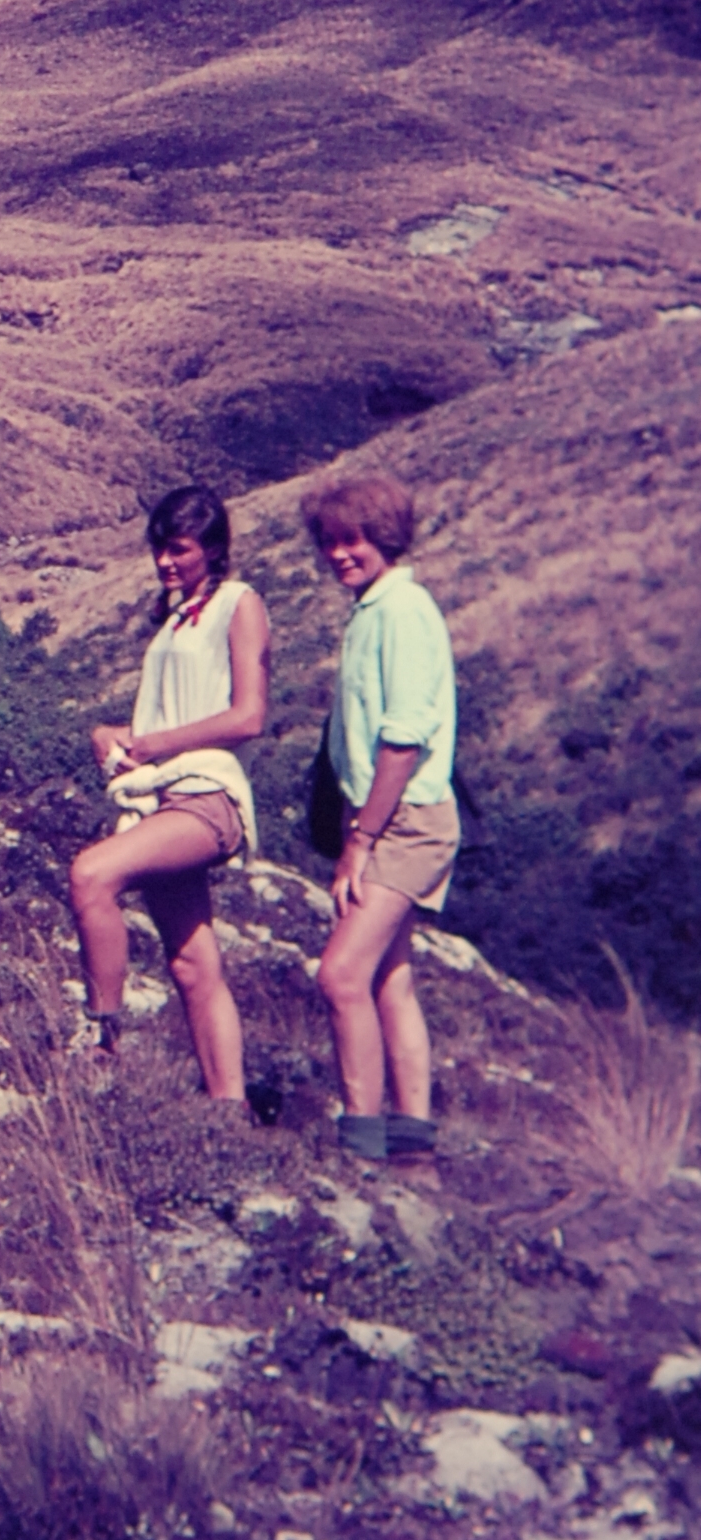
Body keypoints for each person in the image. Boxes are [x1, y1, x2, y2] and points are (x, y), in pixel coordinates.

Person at [67, 486, 269, 1102]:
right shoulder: (178, 617)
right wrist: (113, 735)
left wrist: (155, 744)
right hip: (162, 797)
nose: (165, 562)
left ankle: (102, 1042)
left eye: (179, 549)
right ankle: (229, 1112)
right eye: (160, 549)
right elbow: (169, 721)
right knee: (191, 964)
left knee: (91, 876)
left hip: (207, 798)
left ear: (212, 547)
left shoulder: (240, 603)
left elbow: (248, 717)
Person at [302, 471, 458, 1168]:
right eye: (330, 542)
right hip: (380, 816)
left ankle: (360, 1139)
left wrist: (359, 841)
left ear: (386, 537)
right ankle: (412, 1139)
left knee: (341, 975)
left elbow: (403, 740)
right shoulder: (372, 610)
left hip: (404, 822)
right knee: (389, 977)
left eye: (353, 540)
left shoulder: (403, 611)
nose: (339, 553)